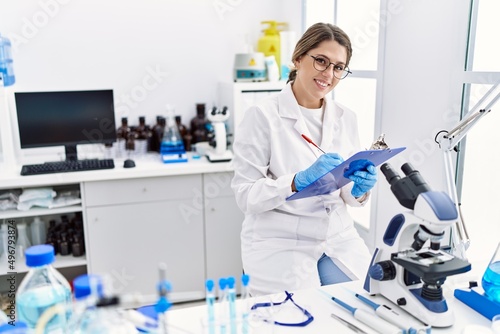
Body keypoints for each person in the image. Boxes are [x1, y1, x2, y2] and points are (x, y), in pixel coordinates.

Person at [231, 23, 378, 296]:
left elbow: (345, 190)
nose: (329, 74)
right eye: (321, 61)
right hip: (280, 240)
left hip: (338, 235)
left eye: (338, 67)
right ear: (298, 58)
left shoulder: (347, 118)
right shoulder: (262, 116)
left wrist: (359, 189)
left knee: (371, 300)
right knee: (298, 316)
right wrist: (297, 182)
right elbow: (245, 195)